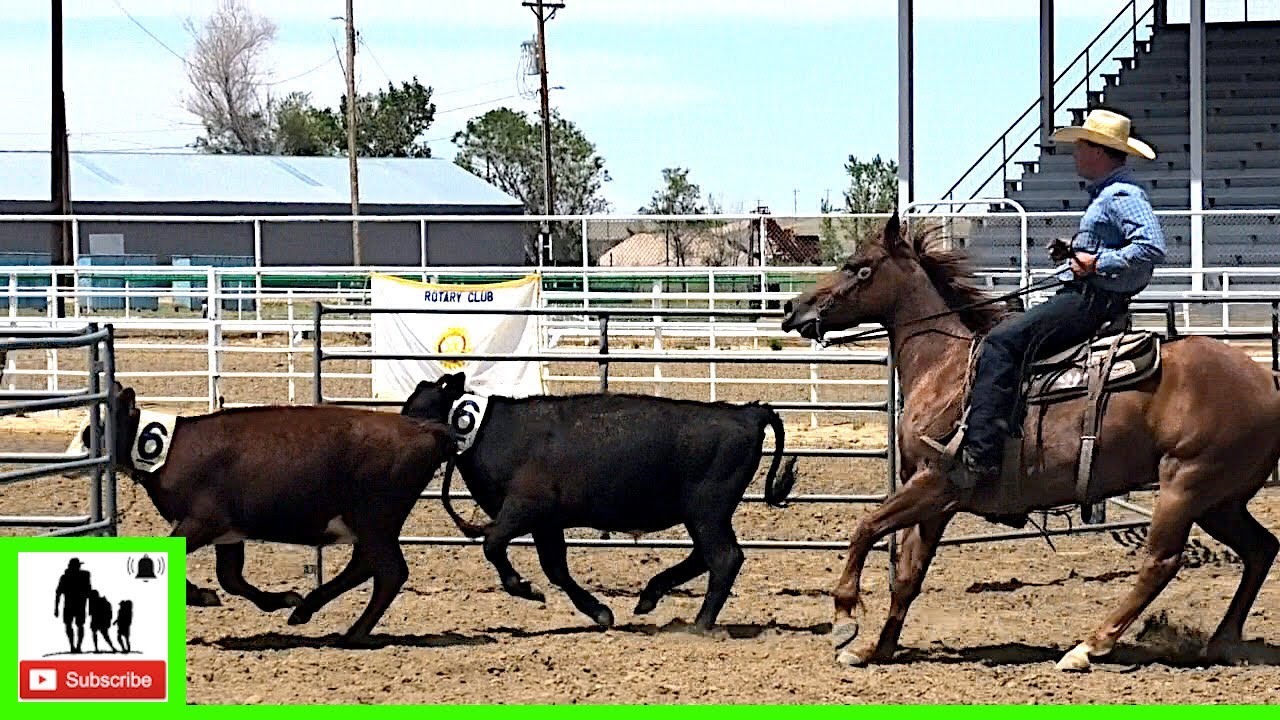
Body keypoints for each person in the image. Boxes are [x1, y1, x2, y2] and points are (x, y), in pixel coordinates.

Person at [960, 108, 1167, 486]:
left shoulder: (1121, 195)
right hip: (1091, 294)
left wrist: (1095, 263)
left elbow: (1151, 248)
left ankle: (982, 453)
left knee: (1002, 343)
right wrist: (1074, 249)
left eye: (1080, 146)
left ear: (1099, 151)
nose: (1074, 154)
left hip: (1091, 300)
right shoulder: (1109, 194)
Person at [54, 558, 92, 654]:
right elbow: (88, 591)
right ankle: (75, 646)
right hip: (77, 605)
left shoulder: (66, 577)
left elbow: (58, 593)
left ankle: (75, 646)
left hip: (72, 605)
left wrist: (56, 608)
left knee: (73, 625)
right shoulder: (84, 575)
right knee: (76, 625)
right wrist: (56, 608)